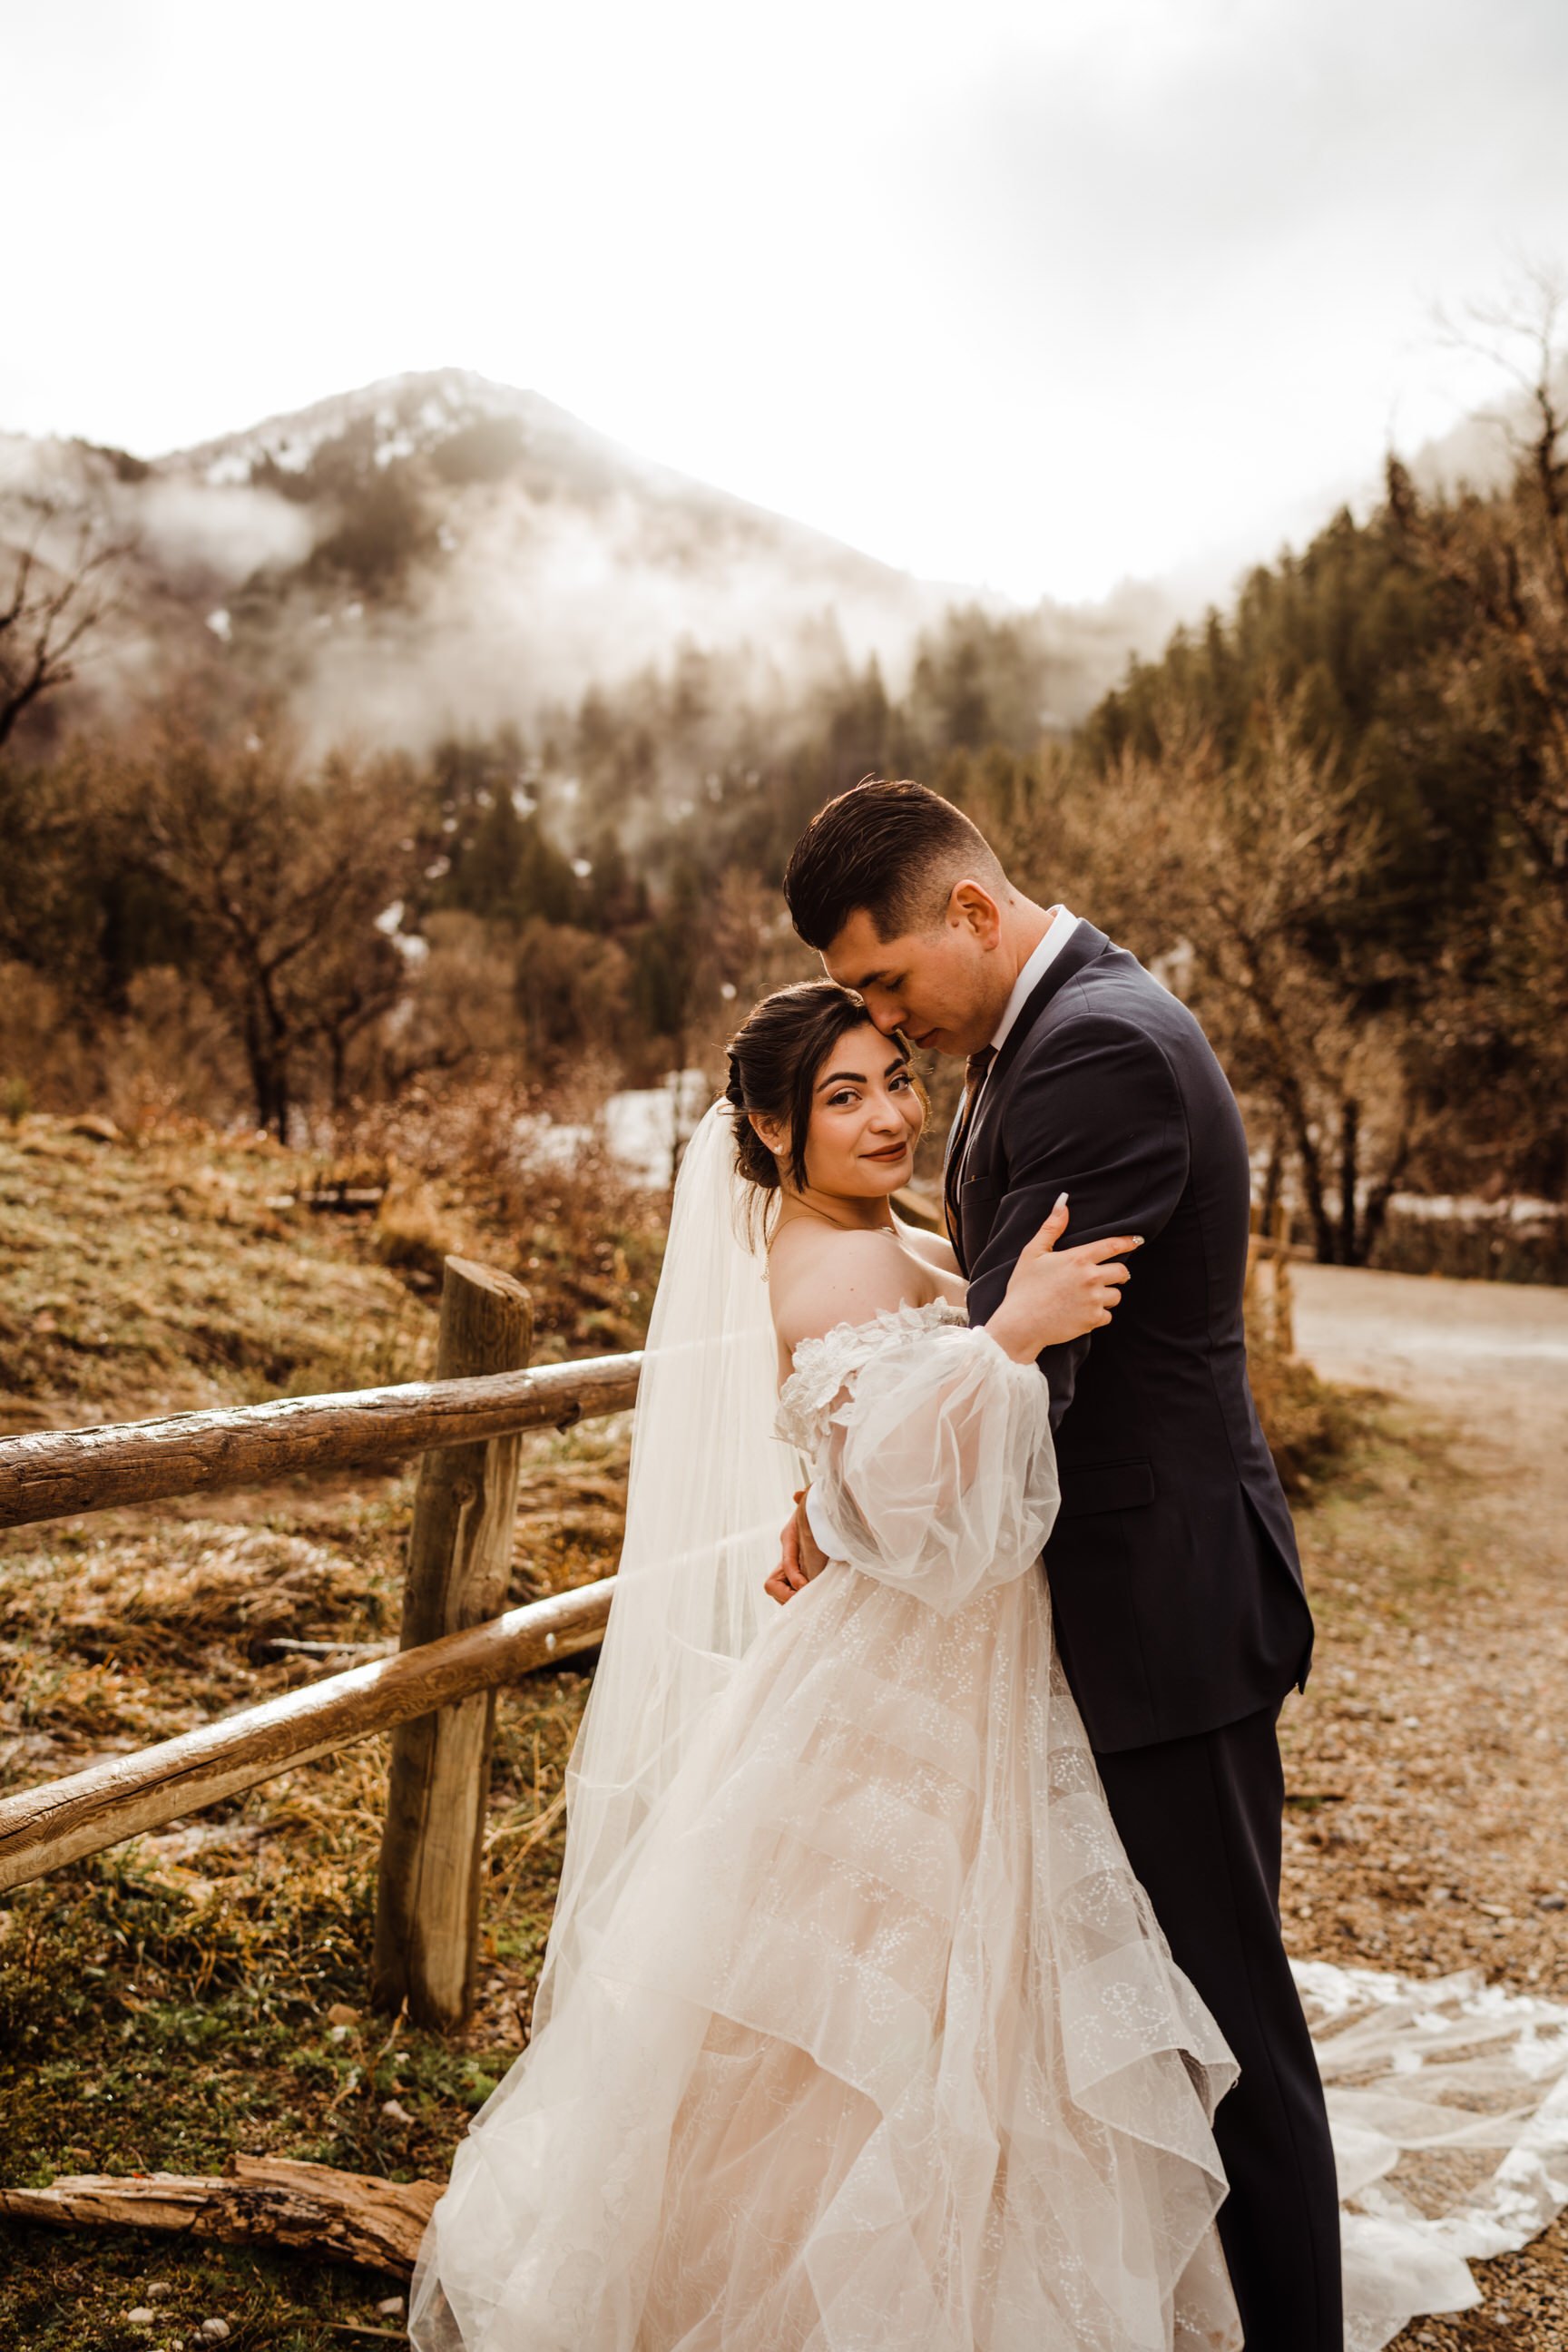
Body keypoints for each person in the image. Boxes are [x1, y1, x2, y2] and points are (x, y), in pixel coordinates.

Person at [410, 977, 1246, 2350]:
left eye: (898, 1081)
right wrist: (1009, 1337)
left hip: (948, 1653)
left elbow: (866, 1467)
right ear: (772, 1128)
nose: (889, 1115)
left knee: (965, 1998)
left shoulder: (877, 1230)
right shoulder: (827, 1258)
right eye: (843, 1096)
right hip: (915, 1659)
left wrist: (837, 1484)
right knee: (884, 2013)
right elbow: (921, 1509)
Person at [777, 778, 1341, 2348]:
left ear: (969, 909)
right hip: (1107, 1598)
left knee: (1222, 2026)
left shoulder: (1093, 1047)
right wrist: (847, 1470)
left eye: (889, 983)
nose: (888, 1020)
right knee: (1145, 2018)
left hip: (1156, 1609)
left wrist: (859, 1482)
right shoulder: (1055, 1029)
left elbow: (1023, 1365)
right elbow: (988, 1330)